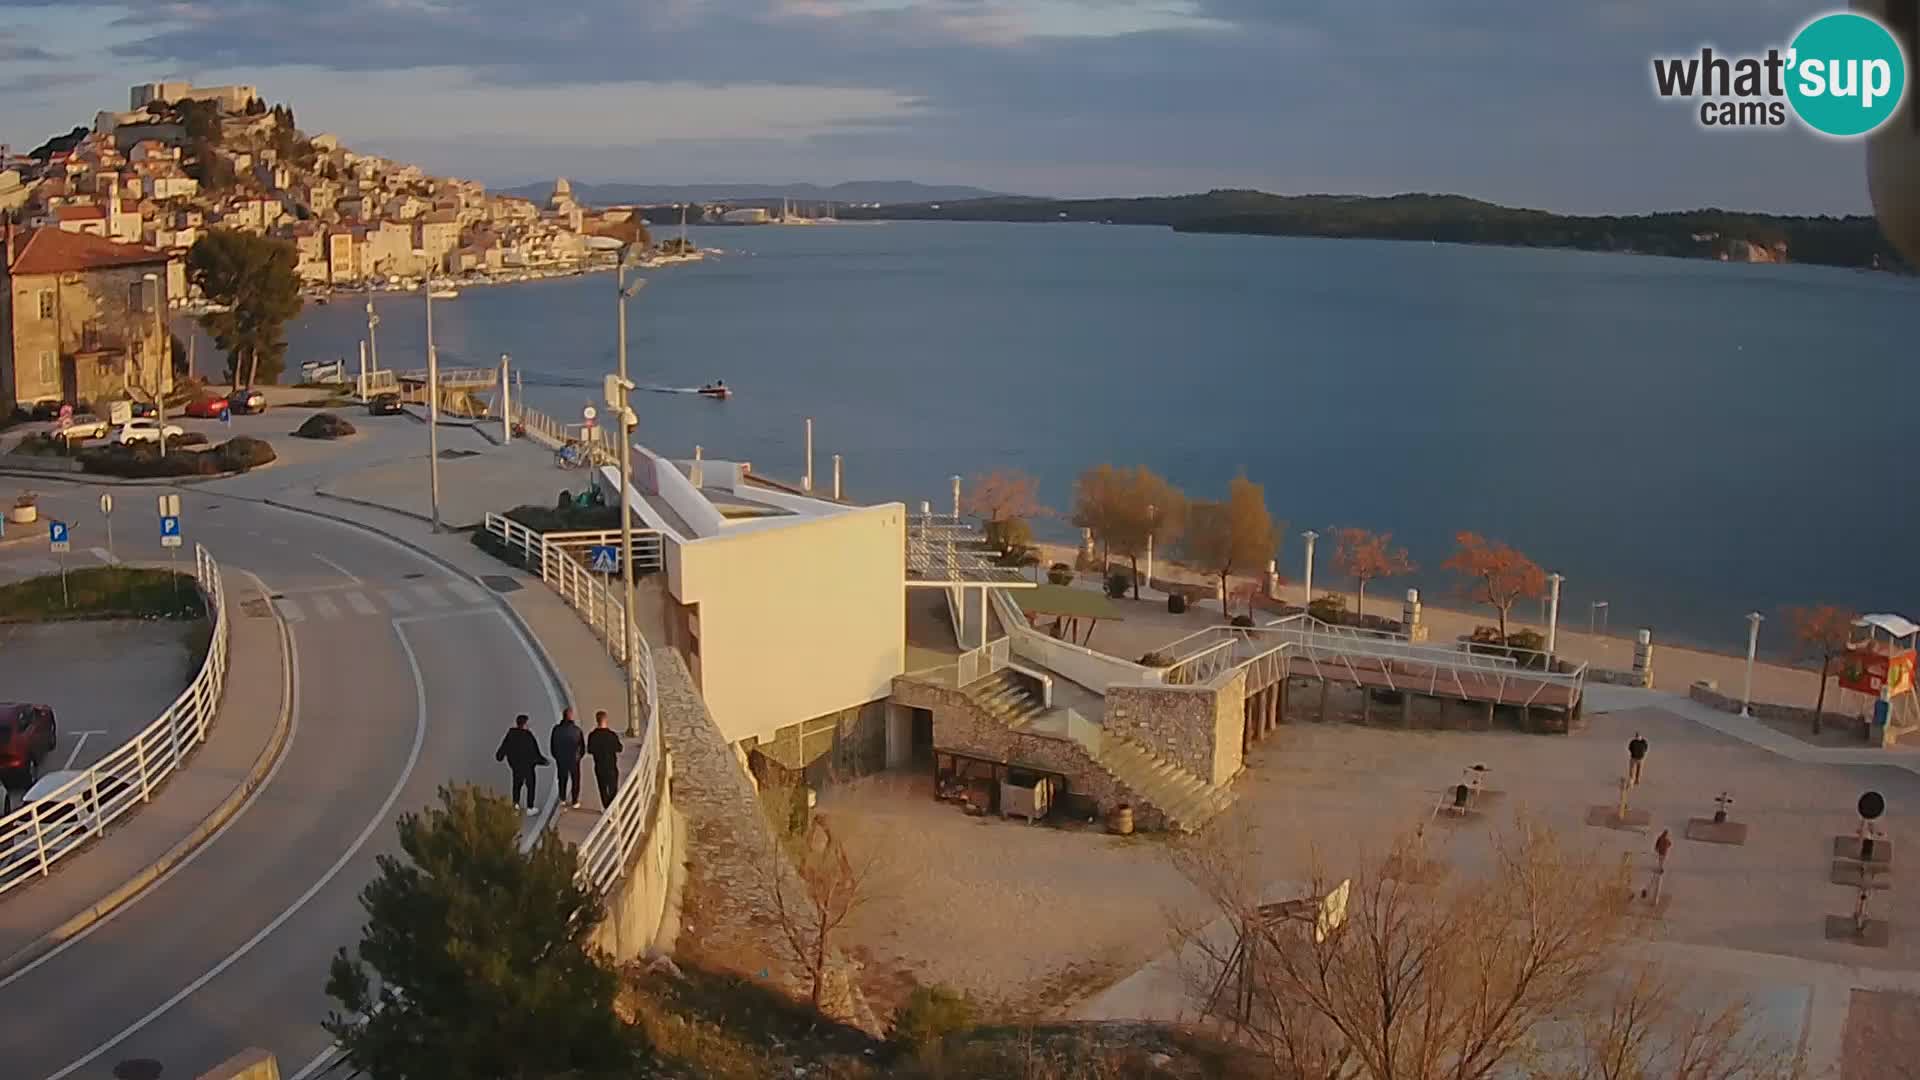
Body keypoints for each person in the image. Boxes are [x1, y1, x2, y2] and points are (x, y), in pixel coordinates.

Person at [495, 713, 547, 815]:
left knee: (516, 785)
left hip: (516, 765)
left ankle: (515, 806)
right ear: (524, 724)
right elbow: (535, 752)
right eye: (527, 723)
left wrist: (500, 756)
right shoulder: (528, 736)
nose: (528, 726)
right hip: (528, 766)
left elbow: (504, 747)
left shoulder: (511, 734)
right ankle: (530, 807)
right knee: (530, 785)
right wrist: (543, 761)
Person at [586, 709, 624, 810]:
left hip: (599, 766)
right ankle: (611, 807)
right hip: (611, 766)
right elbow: (619, 748)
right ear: (606, 720)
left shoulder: (592, 735)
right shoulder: (611, 735)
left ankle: (606, 807)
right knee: (613, 787)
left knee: (602, 788)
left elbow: (590, 750)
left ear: (597, 720)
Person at [550, 707, 586, 810]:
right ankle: (575, 800)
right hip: (574, 759)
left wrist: (556, 756)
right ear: (571, 717)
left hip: (561, 759)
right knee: (575, 780)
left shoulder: (556, 729)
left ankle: (562, 798)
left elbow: (552, 745)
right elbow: (582, 747)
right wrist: (579, 757)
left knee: (562, 779)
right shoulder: (577, 730)